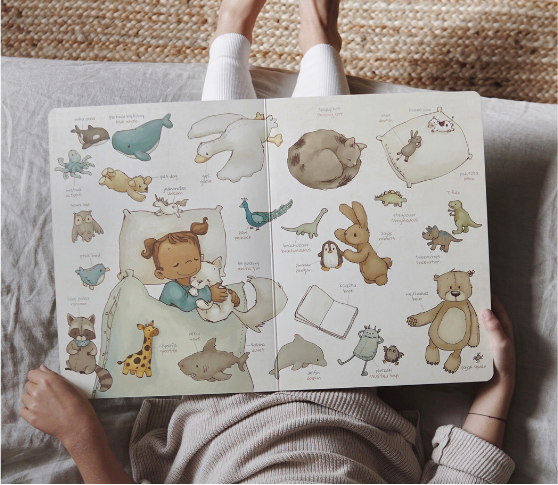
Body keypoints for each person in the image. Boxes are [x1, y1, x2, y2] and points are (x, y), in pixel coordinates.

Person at [19, 0, 516, 482]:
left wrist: (81, 436)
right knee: (326, 176)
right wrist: (501, 380)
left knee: (231, 176)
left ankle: (231, 36)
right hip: (343, 389)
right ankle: (320, 37)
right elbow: (467, 473)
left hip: (215, 398)